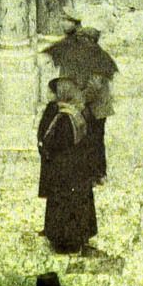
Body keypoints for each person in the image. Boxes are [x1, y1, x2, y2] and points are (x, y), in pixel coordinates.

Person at [37, 76, 97, 255]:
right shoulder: (76, 112)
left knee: (64, 206)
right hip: (76, 169)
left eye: (52, 91)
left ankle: (65, 241)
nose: (49, 94)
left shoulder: (64, 118)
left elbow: (58, 143)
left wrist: (45, 145)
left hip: (64, 171)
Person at [76, 26, 118, 181]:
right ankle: (98, 173)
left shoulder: (97, 59)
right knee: (96, 139)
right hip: (97, 107)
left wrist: (81, 99)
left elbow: (95, 86)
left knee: (93, 139)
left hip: (97, 108)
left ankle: (97, 174)